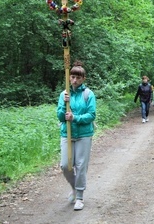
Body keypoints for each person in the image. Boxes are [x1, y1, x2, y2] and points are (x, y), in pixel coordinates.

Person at [56, 61, 96, 211]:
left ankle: (79, 196)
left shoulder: (88, 94)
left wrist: (75, 118)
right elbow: (60, 116)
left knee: (80, 166)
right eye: (72, 77)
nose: (74, 80)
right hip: (67, 133)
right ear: (69, 77)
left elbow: (91, 115)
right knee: (65, 165)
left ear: (83, 79)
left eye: (78, 78)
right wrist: (64, 107)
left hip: (84, 134)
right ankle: (74, 187)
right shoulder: (64, 94)